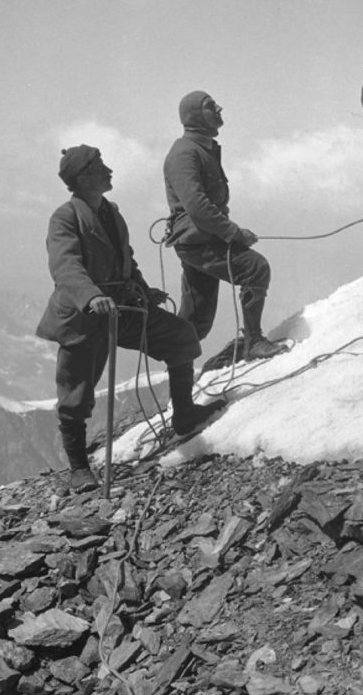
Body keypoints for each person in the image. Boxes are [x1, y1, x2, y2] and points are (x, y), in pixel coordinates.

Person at [37, 144, 225, 492]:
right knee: (76, 391)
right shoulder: (65, 217)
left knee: (180, 335)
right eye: (100, 166)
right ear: (83, 177)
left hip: (122, 307)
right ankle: (79, 468)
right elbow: (66, 266)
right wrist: (92, 297)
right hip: (84, 314)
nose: (108, 170)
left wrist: (142, 288)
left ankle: (184, 415)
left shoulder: (111, 212)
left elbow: (126, 260)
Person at [163, 90, 287, 360]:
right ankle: (253, 341)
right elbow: (196, 206)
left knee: (197, 320)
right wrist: (235, 234)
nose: (219, 108)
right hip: (198, 240)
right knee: (255, 268)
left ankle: (178, 387)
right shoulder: (185, 153)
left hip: (200, 238)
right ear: (195, 116)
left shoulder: (200, 148)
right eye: (210, 106)